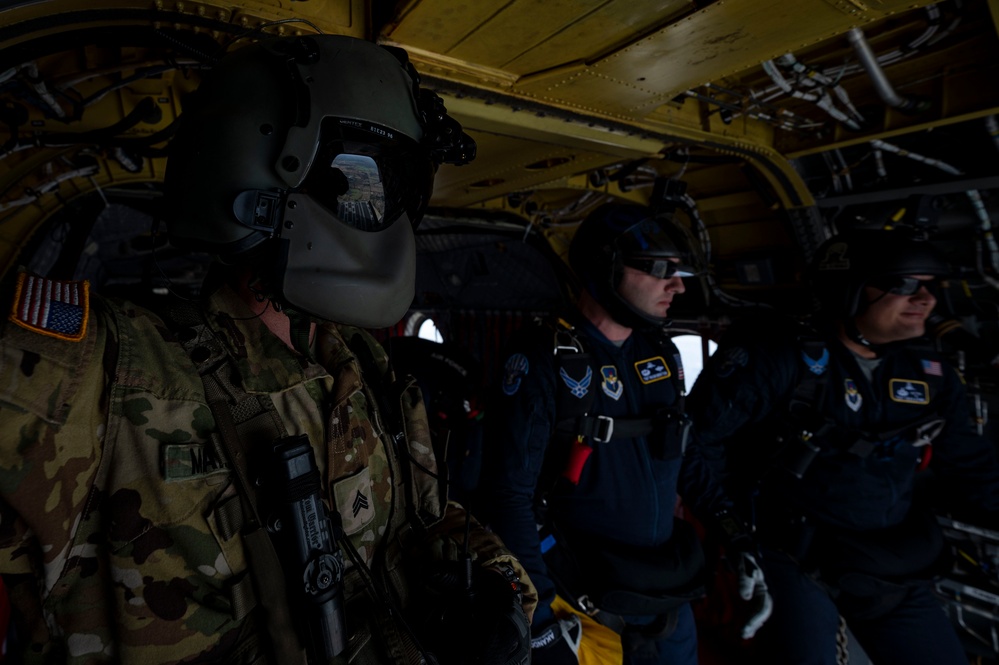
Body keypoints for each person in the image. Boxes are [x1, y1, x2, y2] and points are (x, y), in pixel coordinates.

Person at [0, 35, 535, 664]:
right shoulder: (107, 377)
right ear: (258, 171)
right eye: (363, 183)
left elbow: (427, 519)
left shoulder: (369, 367)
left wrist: (505, 598)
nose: (386, 215)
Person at [687, 229, 999, 664]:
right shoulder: (777, 358)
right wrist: (731, 531)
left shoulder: (931, 374)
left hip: (891, 558)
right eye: (905, 284)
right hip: (794, 555)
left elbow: (971, 467)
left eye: (931, 286)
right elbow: (698, 442)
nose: (925, 299)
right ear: (850, 290)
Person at [481, 202, 772, 665]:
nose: (676, 285)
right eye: (659, 269)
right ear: (605, 267)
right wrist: (537, 622)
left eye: (678, 272)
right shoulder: (544, 357)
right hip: (584, 601)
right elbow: (508, 495)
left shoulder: (661, 353)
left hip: (665, 596)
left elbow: (686, 456)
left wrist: (735, 535)